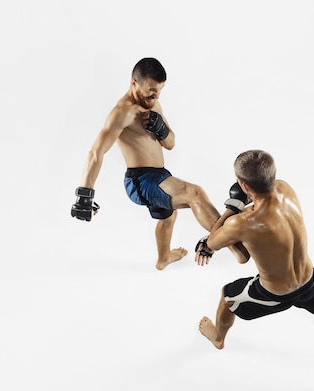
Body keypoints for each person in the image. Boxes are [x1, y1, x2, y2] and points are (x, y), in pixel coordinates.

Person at [194, 150, 314, 381]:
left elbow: (212, 241)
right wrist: (246, 201)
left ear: (245, 186)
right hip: (309, 281)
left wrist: (232, 207)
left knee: (227, 297)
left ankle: (218, 338)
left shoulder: (242, 223)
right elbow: (264, 211)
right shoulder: (286, 189)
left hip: (273, 294)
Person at [70, 57, 248, 270]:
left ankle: (163, 258)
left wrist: (161, 128)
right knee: (196, 194)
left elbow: (170, 143)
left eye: (160, 90)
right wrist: (84, 195)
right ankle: (233, 247)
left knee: (168, 216)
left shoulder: (153, 104)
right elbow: (95, 152)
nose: (156, 96)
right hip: (141, 180)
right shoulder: (122, 112)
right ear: (134, 83)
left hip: (159, 175)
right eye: (151, 90)